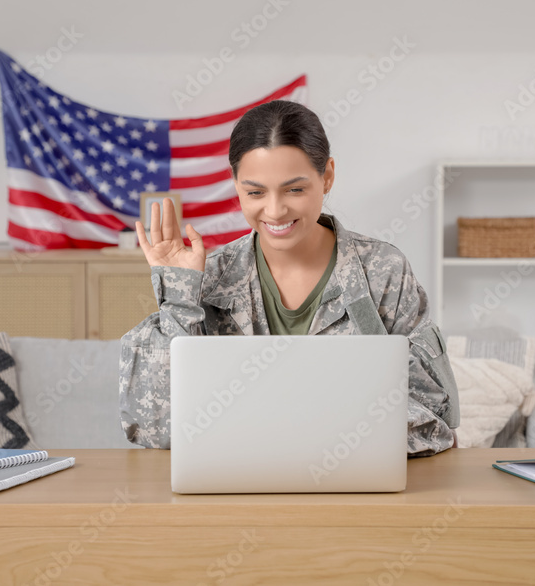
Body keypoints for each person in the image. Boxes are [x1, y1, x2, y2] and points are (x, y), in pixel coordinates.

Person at [119, 100, 459, 457]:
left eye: (294, 189)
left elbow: (436, 420)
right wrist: (179, 298)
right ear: (236, 186)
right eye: (255, 192)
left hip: (351, 490)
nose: (275, 210)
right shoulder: (209, 277)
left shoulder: (384, 270)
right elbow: (154, 427)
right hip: (236, 489)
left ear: (327, 175)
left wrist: (281, 425)